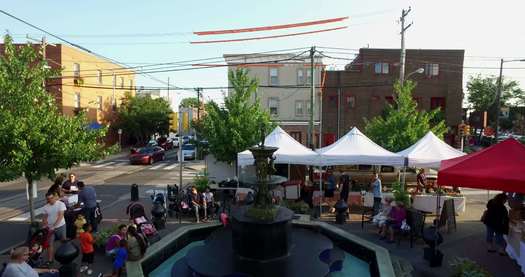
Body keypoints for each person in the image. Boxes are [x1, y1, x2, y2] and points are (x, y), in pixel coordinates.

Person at [42, 192, 67, 266]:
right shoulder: (46, 207)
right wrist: (45, 225)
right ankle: (50, 260)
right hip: (50, 228)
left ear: (55, 197)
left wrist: (54, 226)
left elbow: (61, 216)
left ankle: (65, 257)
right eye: (48, 199)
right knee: (49, 244)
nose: (50, 200)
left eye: (51, 198)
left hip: (60, 226)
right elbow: (45, 217)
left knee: (63, 242)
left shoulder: (60, 204)